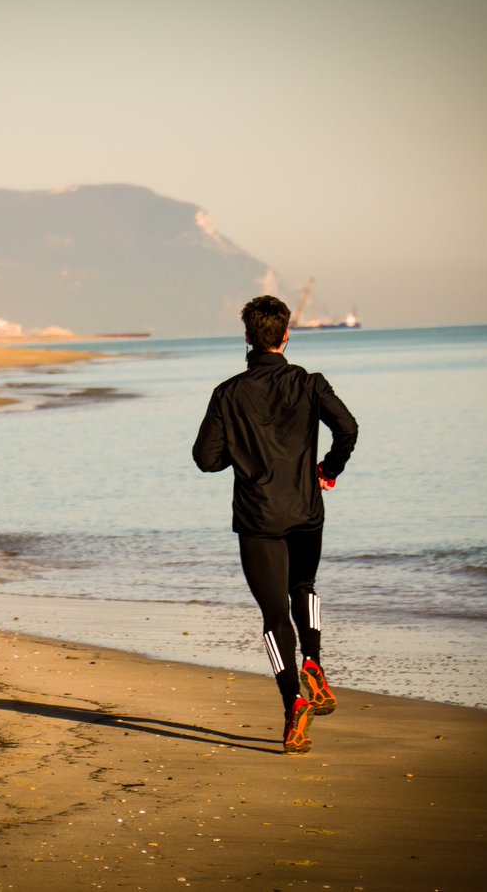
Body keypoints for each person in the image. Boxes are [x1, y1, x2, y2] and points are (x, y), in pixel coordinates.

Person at [192, 295, 358, 754]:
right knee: (303, 585)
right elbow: (348, 428)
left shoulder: (228, 393)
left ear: (247, 337)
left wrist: (240, 454)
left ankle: (292, 708)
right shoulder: (310, 383)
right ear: (286, 335)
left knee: (273, 617)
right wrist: (328, 469)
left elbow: (205, 459)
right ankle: (315, 663)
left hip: (258, 518)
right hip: (306, 511)